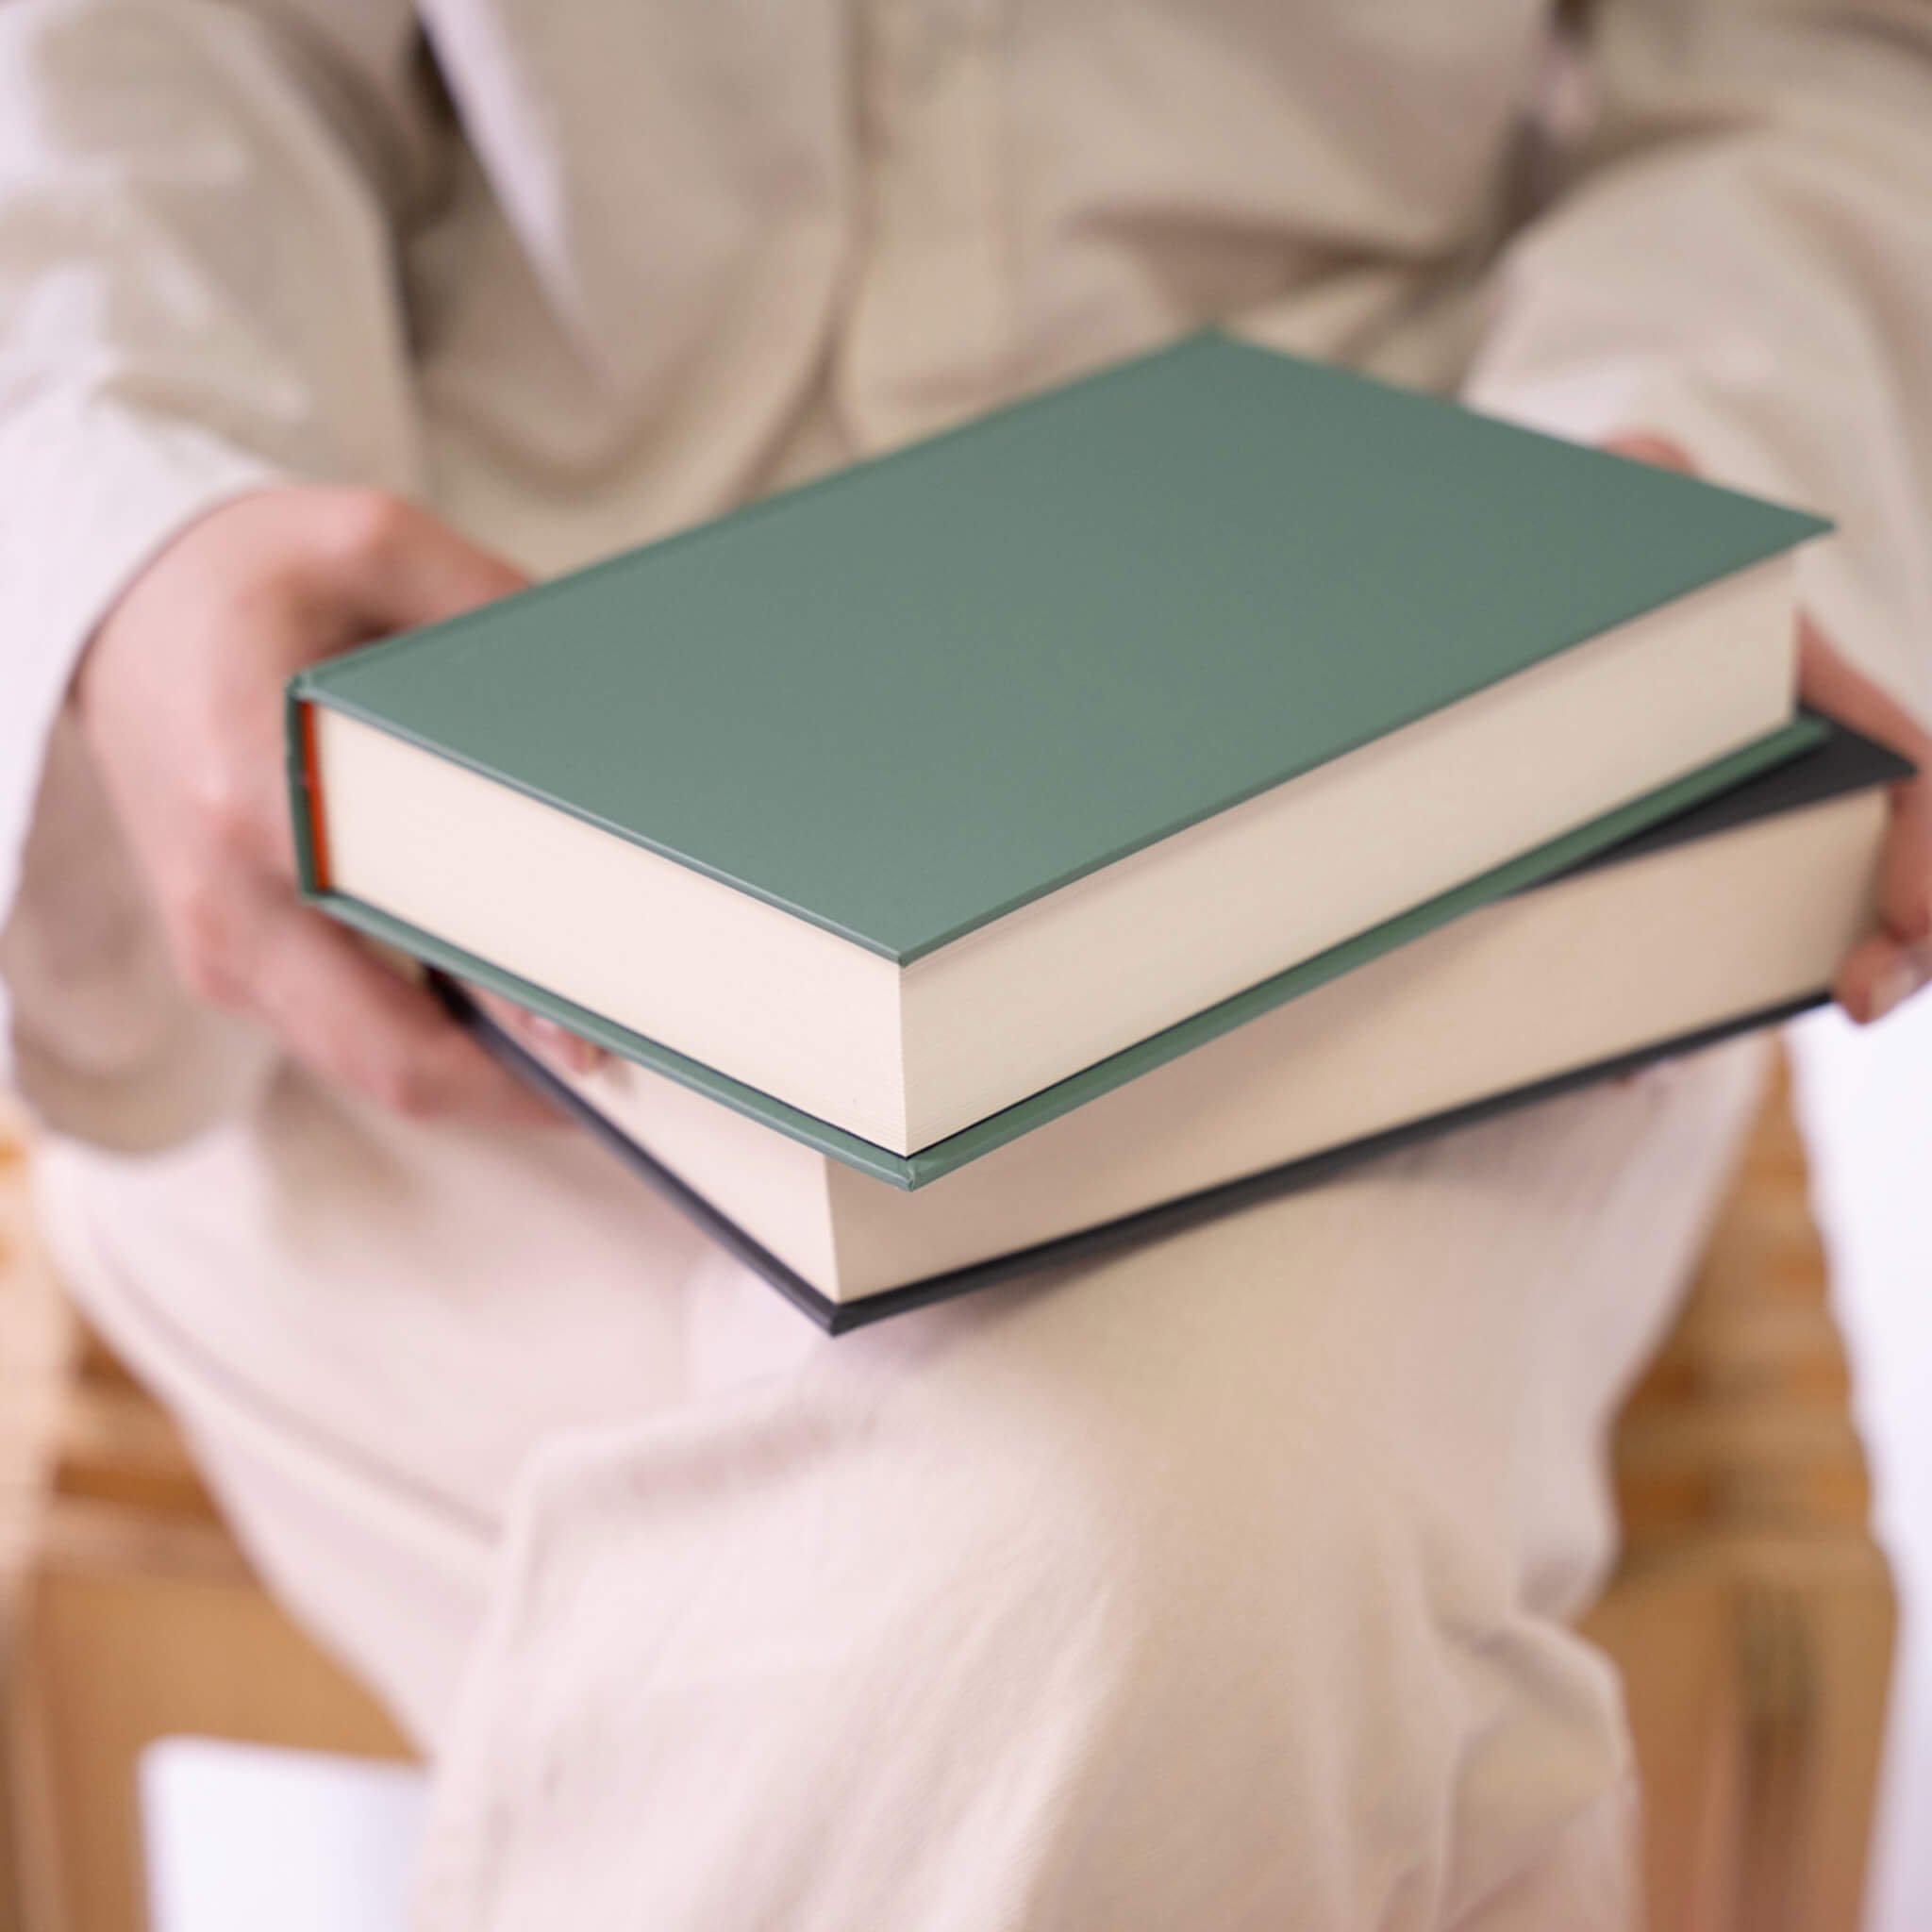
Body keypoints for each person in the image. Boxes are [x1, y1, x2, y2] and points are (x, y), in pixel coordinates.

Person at [3, 2, 1930, 1924]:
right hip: (462, 859)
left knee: (1157, 1567)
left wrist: (1612, 548)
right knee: (1191, 1626)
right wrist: (140, 525)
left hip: (1391, 777)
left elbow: (1815, 68)